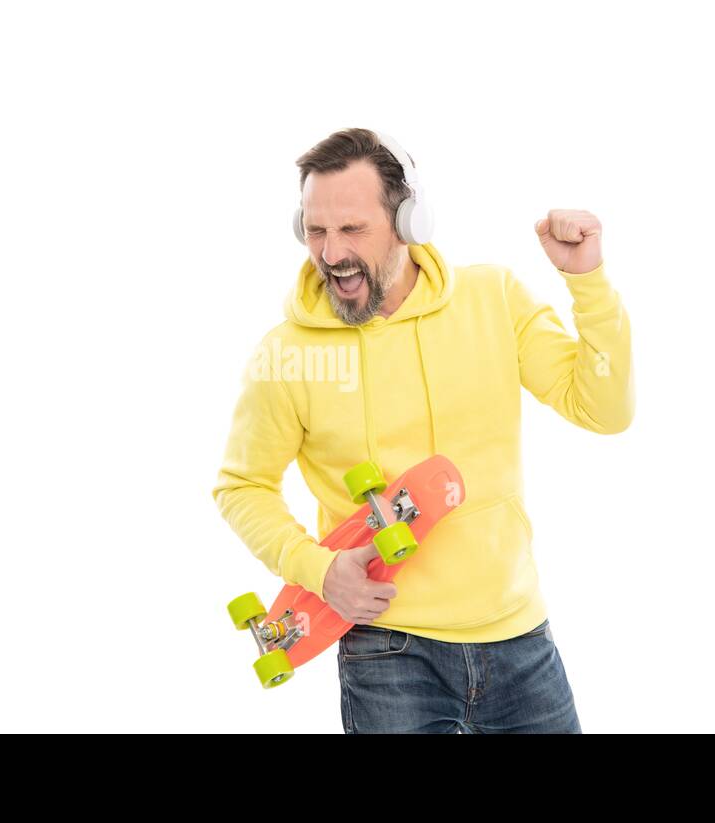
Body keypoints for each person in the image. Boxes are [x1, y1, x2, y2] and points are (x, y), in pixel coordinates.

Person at [212, 128, 634, 733]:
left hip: (519, 639)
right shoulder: (288, 353)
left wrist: (587, 283)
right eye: (315, 230)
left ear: (411, 221)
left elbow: (604, 410)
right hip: (388, 652)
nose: (331, 253)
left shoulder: (493, 299)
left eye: (352, 229)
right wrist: (317, 569)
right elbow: (241, 485)